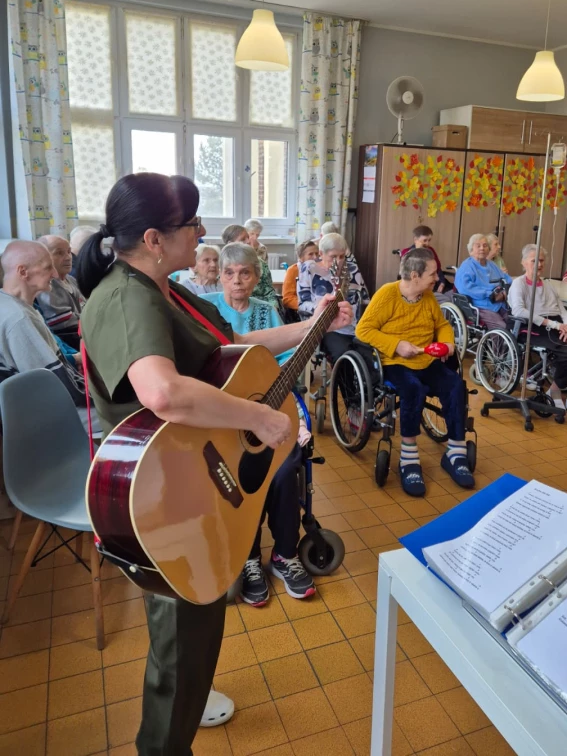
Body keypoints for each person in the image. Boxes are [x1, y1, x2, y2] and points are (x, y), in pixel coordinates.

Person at [77, 173, 351, 753]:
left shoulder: (167, 291)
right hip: (163, 488)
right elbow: (162, 392)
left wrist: (313, 325)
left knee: (198, 619)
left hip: (193, 472)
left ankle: (188, 706)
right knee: (180, 642)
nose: (201, 230)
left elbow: (231, 350)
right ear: (153, 239)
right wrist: (258, 418)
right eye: (191, 223)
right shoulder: (128, 297)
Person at [202, 242, 315, 603]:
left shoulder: (268, 311)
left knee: (285, 467)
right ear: (219, 277)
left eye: (245, 273)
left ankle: (284, 553)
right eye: (229, 273)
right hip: (223, 413)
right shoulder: (207, 310)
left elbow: (285, 360)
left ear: (256, 277)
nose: (237, 280)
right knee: (239, 473)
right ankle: (247, 557)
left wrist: (282, 406)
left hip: (267, 404)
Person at [356, 248, 473, 496]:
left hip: (425, 360)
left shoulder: (427, 297)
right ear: (414, 275)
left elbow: (442, 325)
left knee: (455, 385)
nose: (437, 278)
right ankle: (408, 457)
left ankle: (455, 450)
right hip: (394, 362)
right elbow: (363, 330)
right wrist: (397, 344)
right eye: (432, 274)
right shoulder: (387, 294)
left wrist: (447, 343)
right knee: (413, 389)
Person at [508, 244, 567, 421]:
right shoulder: (518, 284)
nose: (539, 264)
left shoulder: (548, 284)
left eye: (541, 260)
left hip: (557, 324)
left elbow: (561, 308)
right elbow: (518, 311)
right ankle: (555, 391)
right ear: (524, 262)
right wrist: (555, 325)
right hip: (534, 326)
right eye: (534, 260)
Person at [0, 241, 89, 412]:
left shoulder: (10, 303)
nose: (55, 274)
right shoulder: (20, 318)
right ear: (23, 272)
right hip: (45, 411)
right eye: (48, 267)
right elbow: (56, 388)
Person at [298, 232, 368, 363]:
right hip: (326, 326)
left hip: (354, 325)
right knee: (344, 355)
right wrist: (324, 310)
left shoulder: (352, 269)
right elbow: (303, 304)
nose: (339, 261)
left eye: (342, 256)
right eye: (333, 256)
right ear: (321, 254)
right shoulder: (309, 268)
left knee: (369, 353)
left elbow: (364, 300)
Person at [36, 235, 86, 349]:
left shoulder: (71, 280)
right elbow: (61, 321)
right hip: (69, 343)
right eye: (59, 253)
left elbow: (86, 306)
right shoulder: (46, 285)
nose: (68, 257)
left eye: (69, 252)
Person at [455, 233, 511, 329]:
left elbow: (506, 278)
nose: (482, 248)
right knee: (501, 327)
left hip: (500, 303)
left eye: (485, 245)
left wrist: (507, 290)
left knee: (515, 322)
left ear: (488, 249)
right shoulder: (467, 266)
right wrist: (490, 294)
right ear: (471, 250)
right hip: (481, 305)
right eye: (478, 246)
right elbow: (465, 288)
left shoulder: (492, 265)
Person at [221, 223, 277, 306]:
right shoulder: (222, 265)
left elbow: (269, 292)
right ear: (230, 243)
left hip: (261, 307)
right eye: (243, 239)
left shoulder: (260, 263)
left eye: (248, 237)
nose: (248, 241)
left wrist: (273, 308)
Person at [400, 225, 451, 293]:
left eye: (429, 240)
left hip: (435, 283)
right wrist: (419, 250)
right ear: (415, 240)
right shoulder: (406, 252)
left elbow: (438, 269)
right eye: (425, 240)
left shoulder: (431, 250)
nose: (427, 243)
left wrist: (442, 282)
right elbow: (408, 274)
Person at [282, 239, 319, 313]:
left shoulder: (321, 269)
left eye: (317, 254)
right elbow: (287, 299)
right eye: (310, 254)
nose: (315, 257)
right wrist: (309, 306)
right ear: (301, 257)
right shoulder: (293, 270)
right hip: (301, 312)